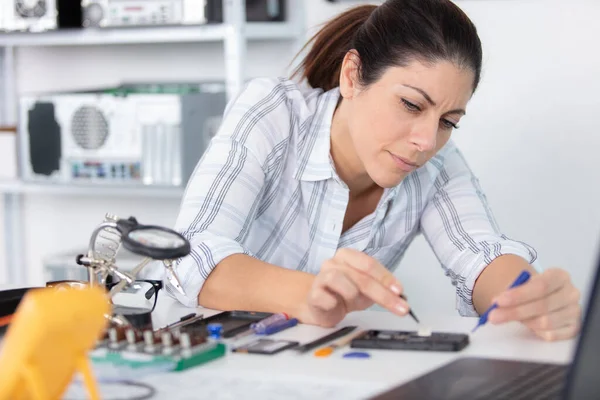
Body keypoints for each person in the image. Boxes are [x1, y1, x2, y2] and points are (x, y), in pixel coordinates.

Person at [165, 0, 581, 341]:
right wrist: (309, 294)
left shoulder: (435, 165)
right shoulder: (274, 113)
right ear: (352, 75)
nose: (426, 140)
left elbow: (481, 254)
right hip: (196, 357)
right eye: (412, 105)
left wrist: (529, 298)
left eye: (448, 121)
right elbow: (188, 254)